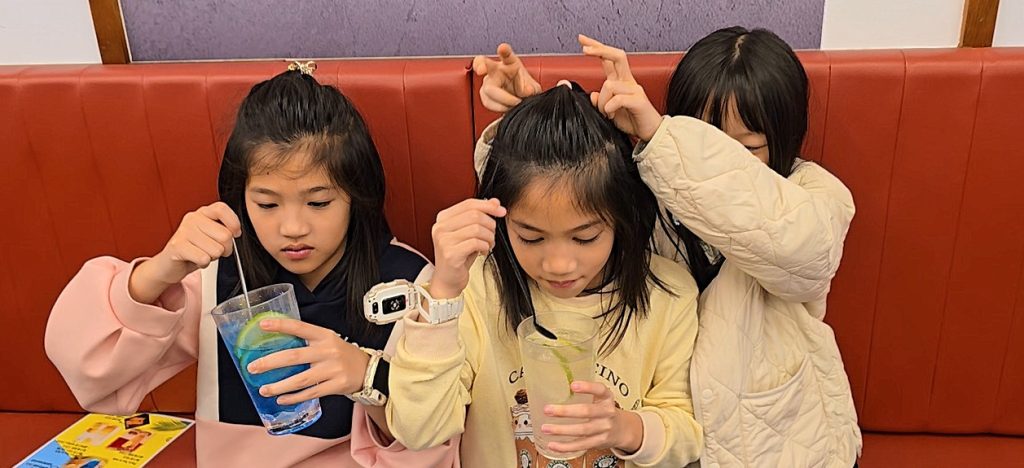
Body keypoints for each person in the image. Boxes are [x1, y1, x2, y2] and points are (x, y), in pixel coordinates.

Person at [475, 29, 862, 467]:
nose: (726, 161)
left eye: (747, 149)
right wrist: (530, 121)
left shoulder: (813, 196)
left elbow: (796, 244)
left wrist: (662, 138)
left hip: (781, 446)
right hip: (670, 443)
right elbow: (553, 204)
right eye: (706, 140)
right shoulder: (655, 186)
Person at [45, 64, 456, 467]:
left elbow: (435, 441)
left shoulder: (409, 286)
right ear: (240, 198)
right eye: (267, 204)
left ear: (357, 195)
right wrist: (163, 269)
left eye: (318, 202)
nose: (293, 228)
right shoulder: (218, 277)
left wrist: (367, 377)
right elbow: (89, 370)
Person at [386, 83, 703, 467]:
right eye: (531, 237)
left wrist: (624, 428)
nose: (558, 264)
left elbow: (687, 432)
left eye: (585, 237)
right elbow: (418, 430)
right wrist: (443, 294)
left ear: (621, 219)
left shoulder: (668, 295)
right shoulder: (476, 286)